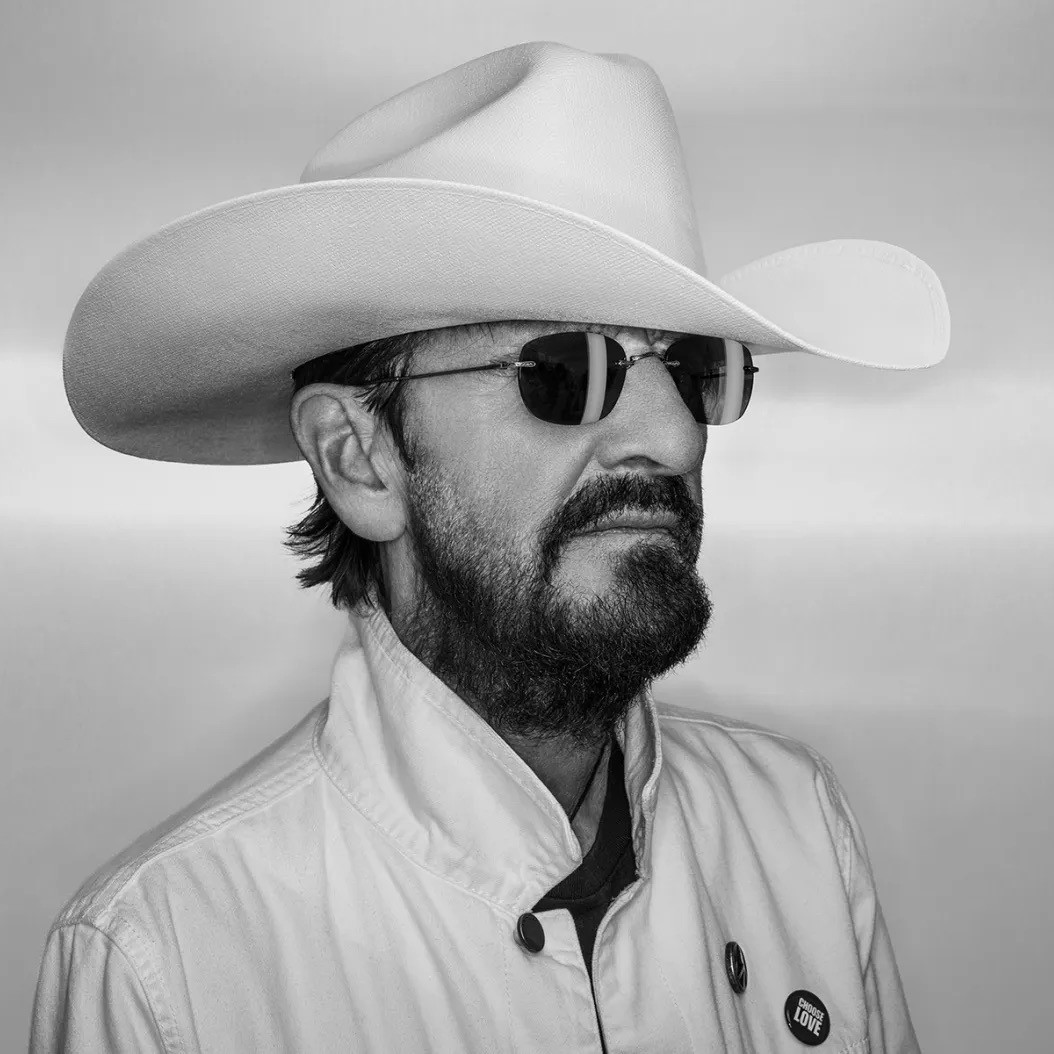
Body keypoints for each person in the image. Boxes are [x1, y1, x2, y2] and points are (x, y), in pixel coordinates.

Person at [30, 41, 948, 1053]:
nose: (677, 437)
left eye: (693, 369)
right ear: (359, 457)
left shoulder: (794, 830)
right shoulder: (168, 967)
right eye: (564, 371)